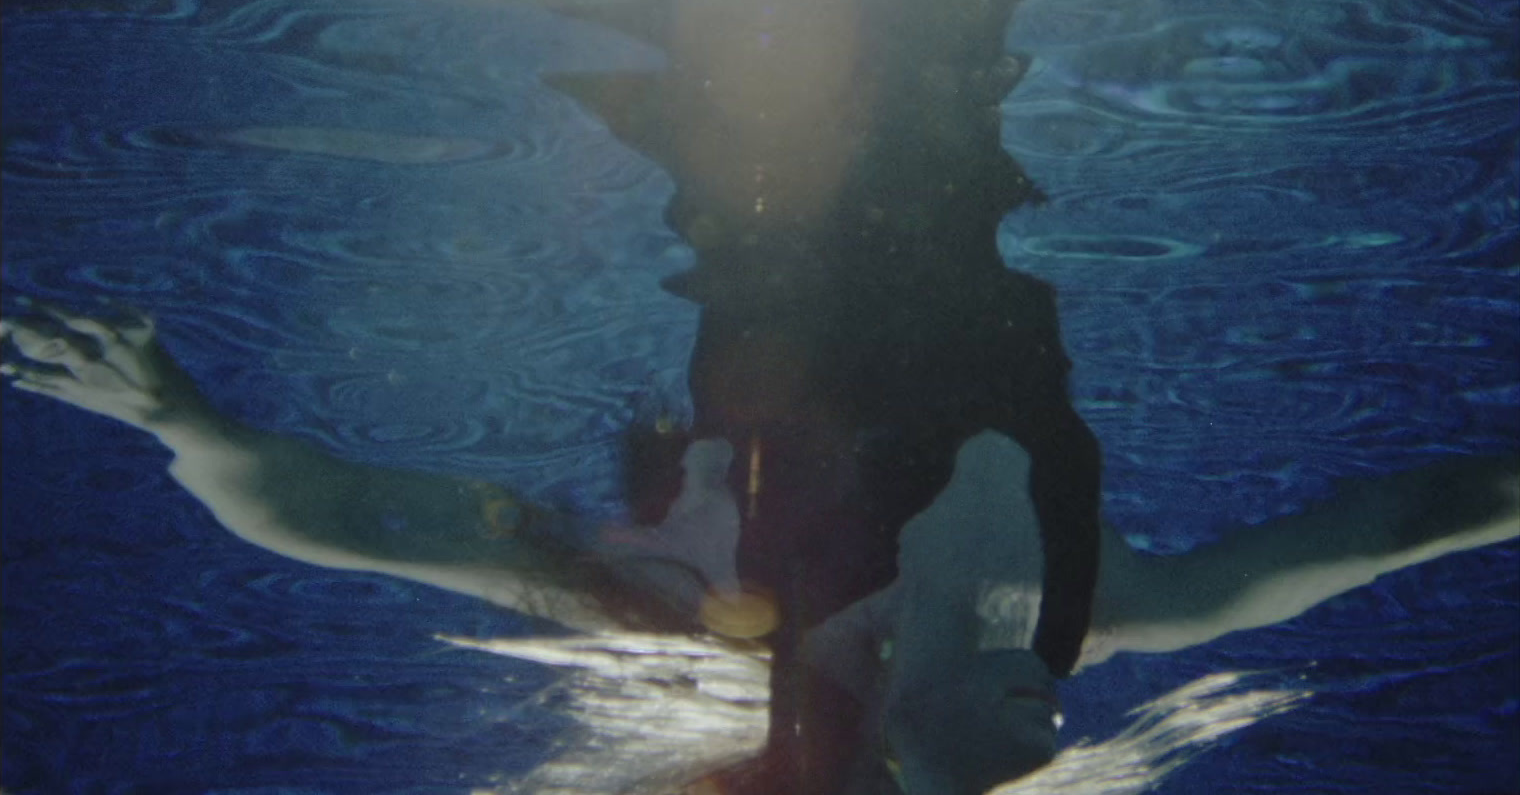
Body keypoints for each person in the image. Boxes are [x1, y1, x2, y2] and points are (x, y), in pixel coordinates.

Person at [4, 303, 1517, 794]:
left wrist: (181, 422)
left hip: (738, 320)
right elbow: (1405, 518)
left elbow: (331, 525)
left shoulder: (646, 612)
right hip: (948, 321)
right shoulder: (1065, 613)